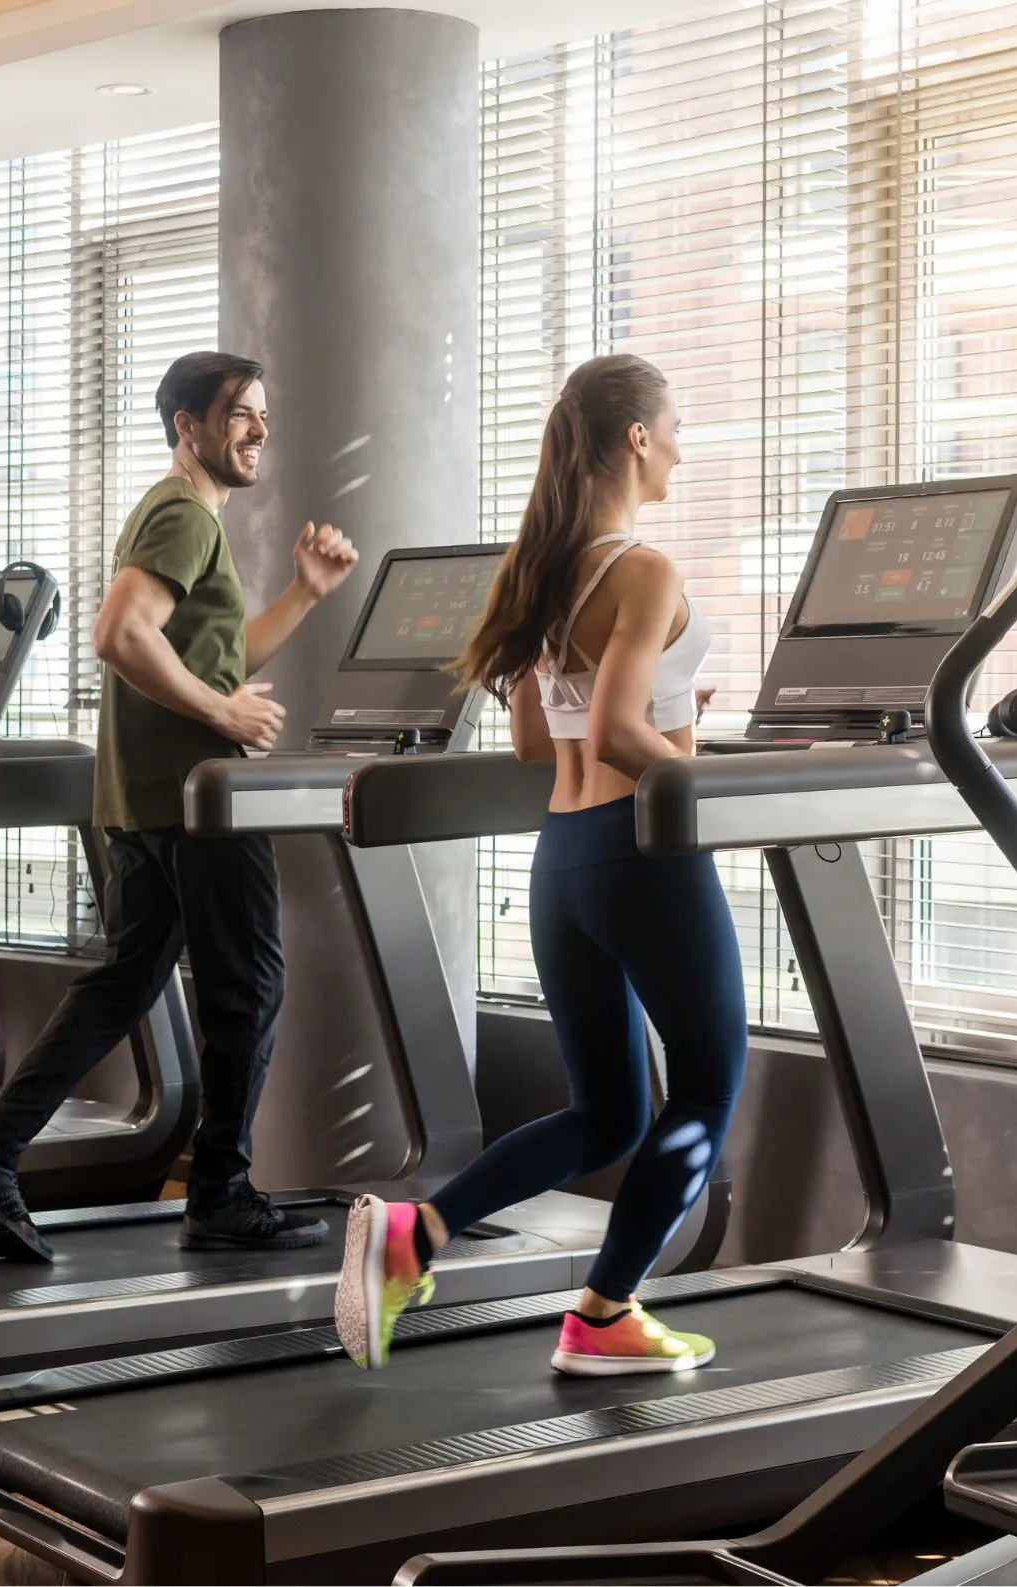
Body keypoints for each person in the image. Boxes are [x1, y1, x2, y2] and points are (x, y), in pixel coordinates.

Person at [337, 353, 742, 1377]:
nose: (682, 451)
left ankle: (415, 1235)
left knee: (604, 1112)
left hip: (560, 861)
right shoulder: (642, 569)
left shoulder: (542, 569)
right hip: (641, 856)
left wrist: (671, 719)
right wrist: (724, 788)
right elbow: (612, 729)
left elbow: (535, 739)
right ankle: (604, 1313)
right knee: (703, 1091)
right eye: (675, 428)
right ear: (637, 438)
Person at [0, 351, 358, 1261]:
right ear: (188, 426)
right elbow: (119, 635)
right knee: (250, 988)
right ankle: (220, 1193)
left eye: (262, 418)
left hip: (143, 801)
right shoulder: (180, 511)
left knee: (124, 982)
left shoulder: (183, 517)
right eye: (238, 413)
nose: (256, 431)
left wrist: (301, 597)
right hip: (198, 805)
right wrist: (219, 713)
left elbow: (206, 655)